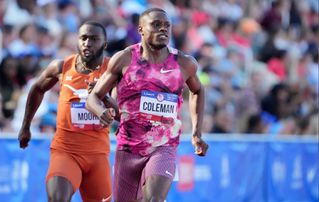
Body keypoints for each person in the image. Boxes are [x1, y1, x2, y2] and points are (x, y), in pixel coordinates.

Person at [87, 8, 209, 202]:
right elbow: (93, 98)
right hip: (128, 147)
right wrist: (101, 111)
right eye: (156, 25)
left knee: (153, 198)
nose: (163, 30)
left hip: (164, 146)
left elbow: (198, 90)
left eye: (167, 26)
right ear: (141, 29)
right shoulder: (124, 59)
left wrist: (196, 132)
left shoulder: (184, 63)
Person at [17, 21, 118, 202]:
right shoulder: (61, 67)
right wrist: (25, 127)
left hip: (98, 156)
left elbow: (122, 112)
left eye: (94, 39)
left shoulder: (113, 71)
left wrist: (103, 97)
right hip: (65, 151)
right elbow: (37, 89)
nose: (87, 43)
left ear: (105, 44)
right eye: (83, 38)